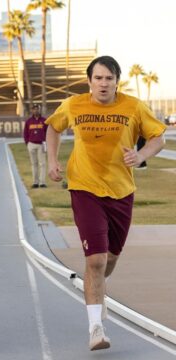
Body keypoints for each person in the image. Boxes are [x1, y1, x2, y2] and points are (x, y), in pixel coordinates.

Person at [46, 55, 166, 352]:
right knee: (96, 260)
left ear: (117, 81)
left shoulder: (133, 106)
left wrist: (140, 156)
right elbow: (53, 128)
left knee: (109, 259)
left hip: (121, 191)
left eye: (109, 78)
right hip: (84, 189)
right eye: (98, 78)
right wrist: (52, 160)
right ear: (89, 82)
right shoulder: (74, 105)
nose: (103, 83)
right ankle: (95, 327)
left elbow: (158, 138)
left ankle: (97, 292)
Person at [23, 103, 48, 188]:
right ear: (32, 110)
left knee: (43, 164)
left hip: (41, 144)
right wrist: (27, 143)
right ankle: (35, 182)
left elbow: (48, 132)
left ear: (39, 109)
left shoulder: (44, 120)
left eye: (37, 108)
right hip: (31, 144)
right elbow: (25, 133)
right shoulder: (29, 121)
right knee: (34, 164)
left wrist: (46, 142)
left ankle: (42, 182)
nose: (35, 110)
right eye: (34, 109)